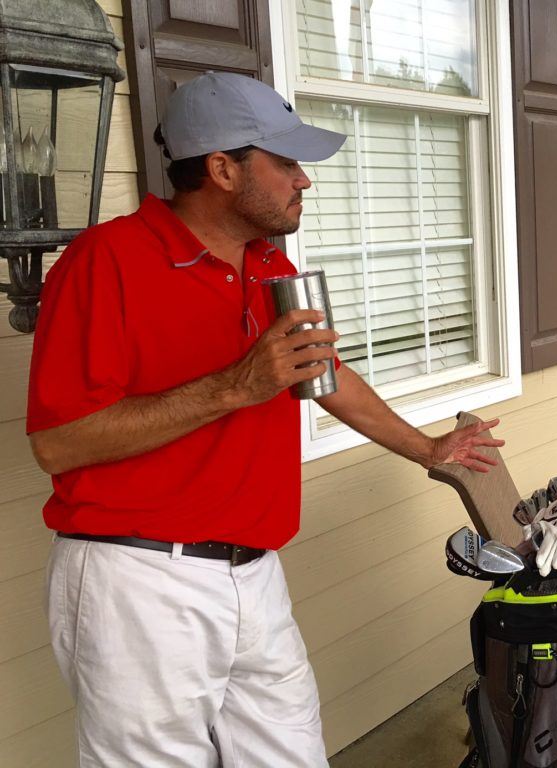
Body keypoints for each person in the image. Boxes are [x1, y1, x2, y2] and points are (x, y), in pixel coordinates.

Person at [26, 72, 504, 767]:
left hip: (254, 571)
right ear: (221, 168)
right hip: (140, 579)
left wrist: (429, 448)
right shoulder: (106, 261)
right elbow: (58, 444)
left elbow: (323, 376)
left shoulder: (268, 263)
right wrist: (235, 387)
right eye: (284, 162)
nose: (303, 181)